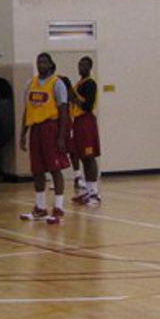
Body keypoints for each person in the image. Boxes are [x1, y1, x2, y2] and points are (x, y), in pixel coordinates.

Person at [19, 53, 71, 225]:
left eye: (44, 62)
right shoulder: (30, 84)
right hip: (35, 129)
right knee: (37, 170)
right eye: (39, 62)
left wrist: (61, 136)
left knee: (55, 169)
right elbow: (27, 110)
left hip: (51, 128)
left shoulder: (57, 83)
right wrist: (23, 133)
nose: (41, 64)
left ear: (50, 64)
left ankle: (58, 208)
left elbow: (63, 112)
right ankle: (40, 208)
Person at [69, 56, 101, 207]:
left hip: (86, 121)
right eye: (79, 65)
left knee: (89, 157)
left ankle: (94, 193)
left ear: (89, 67)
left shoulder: (90, 83)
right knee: (81, 156)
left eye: (84, 65)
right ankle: (88, 190)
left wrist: (73, 96)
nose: (81, 67)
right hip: (77, 122)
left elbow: (87, 105)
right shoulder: (79, 83)